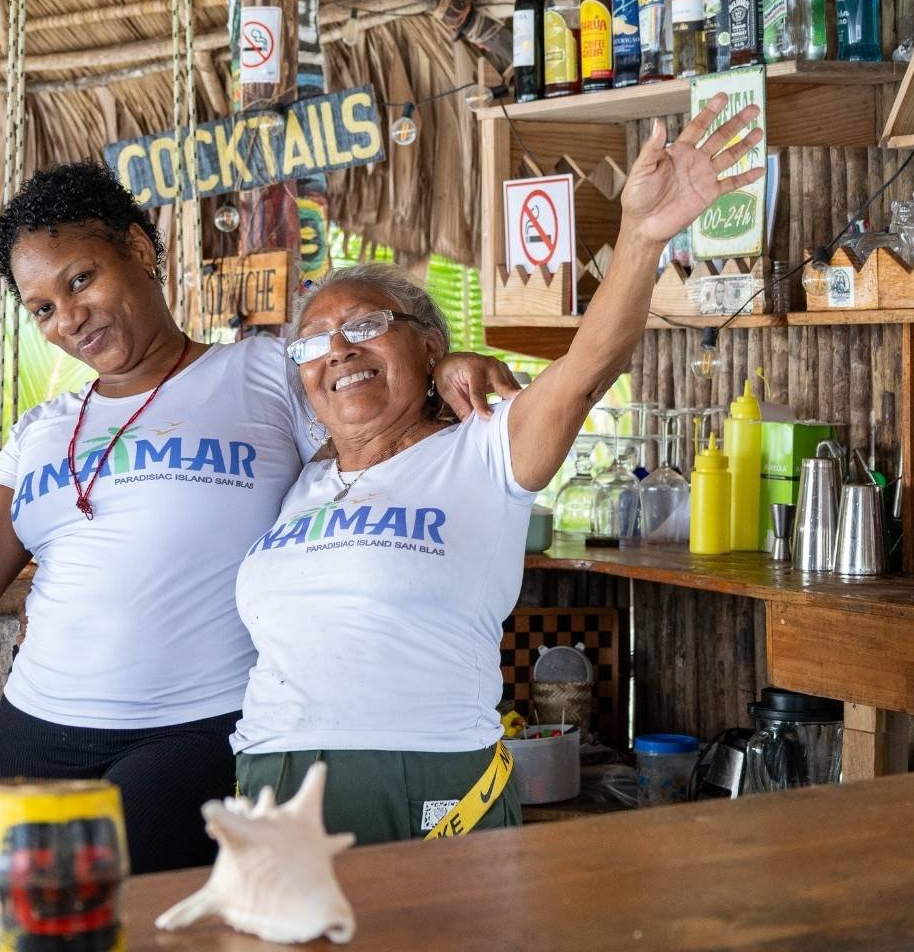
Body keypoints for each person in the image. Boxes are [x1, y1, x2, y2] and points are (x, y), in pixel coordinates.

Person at [0, 160, 516, 873]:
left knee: (141, 921)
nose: (69, 317)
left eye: (81, 279)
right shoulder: (41, 430)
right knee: (13, 929)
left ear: (140, 250)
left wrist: (451, 362)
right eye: (43, 308)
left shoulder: (265, 375)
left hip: (191, 733)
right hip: (38, 730)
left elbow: (376, 404)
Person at [232, 96, 764, 844]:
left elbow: (586, 370)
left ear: (426, 347)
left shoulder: (483, 448)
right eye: (314, 342)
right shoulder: (300, 475)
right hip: (272, 778)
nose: (338, 351)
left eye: (365, 326)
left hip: (425, 776)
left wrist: (643, 236)